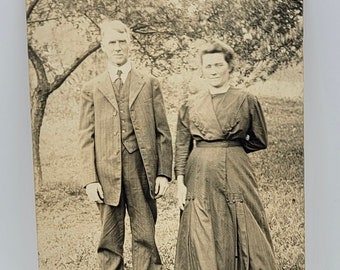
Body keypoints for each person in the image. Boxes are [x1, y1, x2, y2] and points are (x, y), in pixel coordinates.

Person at [174, 40, 276, 270]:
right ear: (202, 69)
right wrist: (180, 182)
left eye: (218, 65)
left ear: (229, 67)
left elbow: (260, 140)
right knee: (201, 225)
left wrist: (233, 150)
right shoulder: (190, 104)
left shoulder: (246, 100)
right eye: (208, 66)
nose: (213, 71)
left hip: (235, 170)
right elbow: (182, 146)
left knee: (241, 219)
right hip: (198, 171)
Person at [79, 20, 173, 270]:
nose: (118, 47)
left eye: (123, 42)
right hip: (106, 172)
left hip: (141, 169)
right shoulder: (92, 88)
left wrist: (163, 173)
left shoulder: (149, 83)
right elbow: (85, 138)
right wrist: (90, 179)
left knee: (145, 232)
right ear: (103, 47)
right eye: (112, 42)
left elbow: (162, 132)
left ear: (130, 45)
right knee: (109, 237)